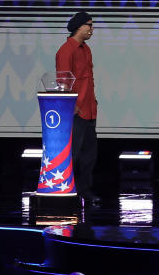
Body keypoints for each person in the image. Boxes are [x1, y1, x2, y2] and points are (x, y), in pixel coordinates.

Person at [55, 11, 99, 206]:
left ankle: (84, 191)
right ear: (79, 27)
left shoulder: (86, 49)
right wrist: (72, 107)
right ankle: (67, 189)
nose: (91, 28)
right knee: (73, 153)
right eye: (89, 25)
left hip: (89, 109)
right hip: (76, 111)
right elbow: (63, 82)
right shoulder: (66, 50)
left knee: (89, 154)